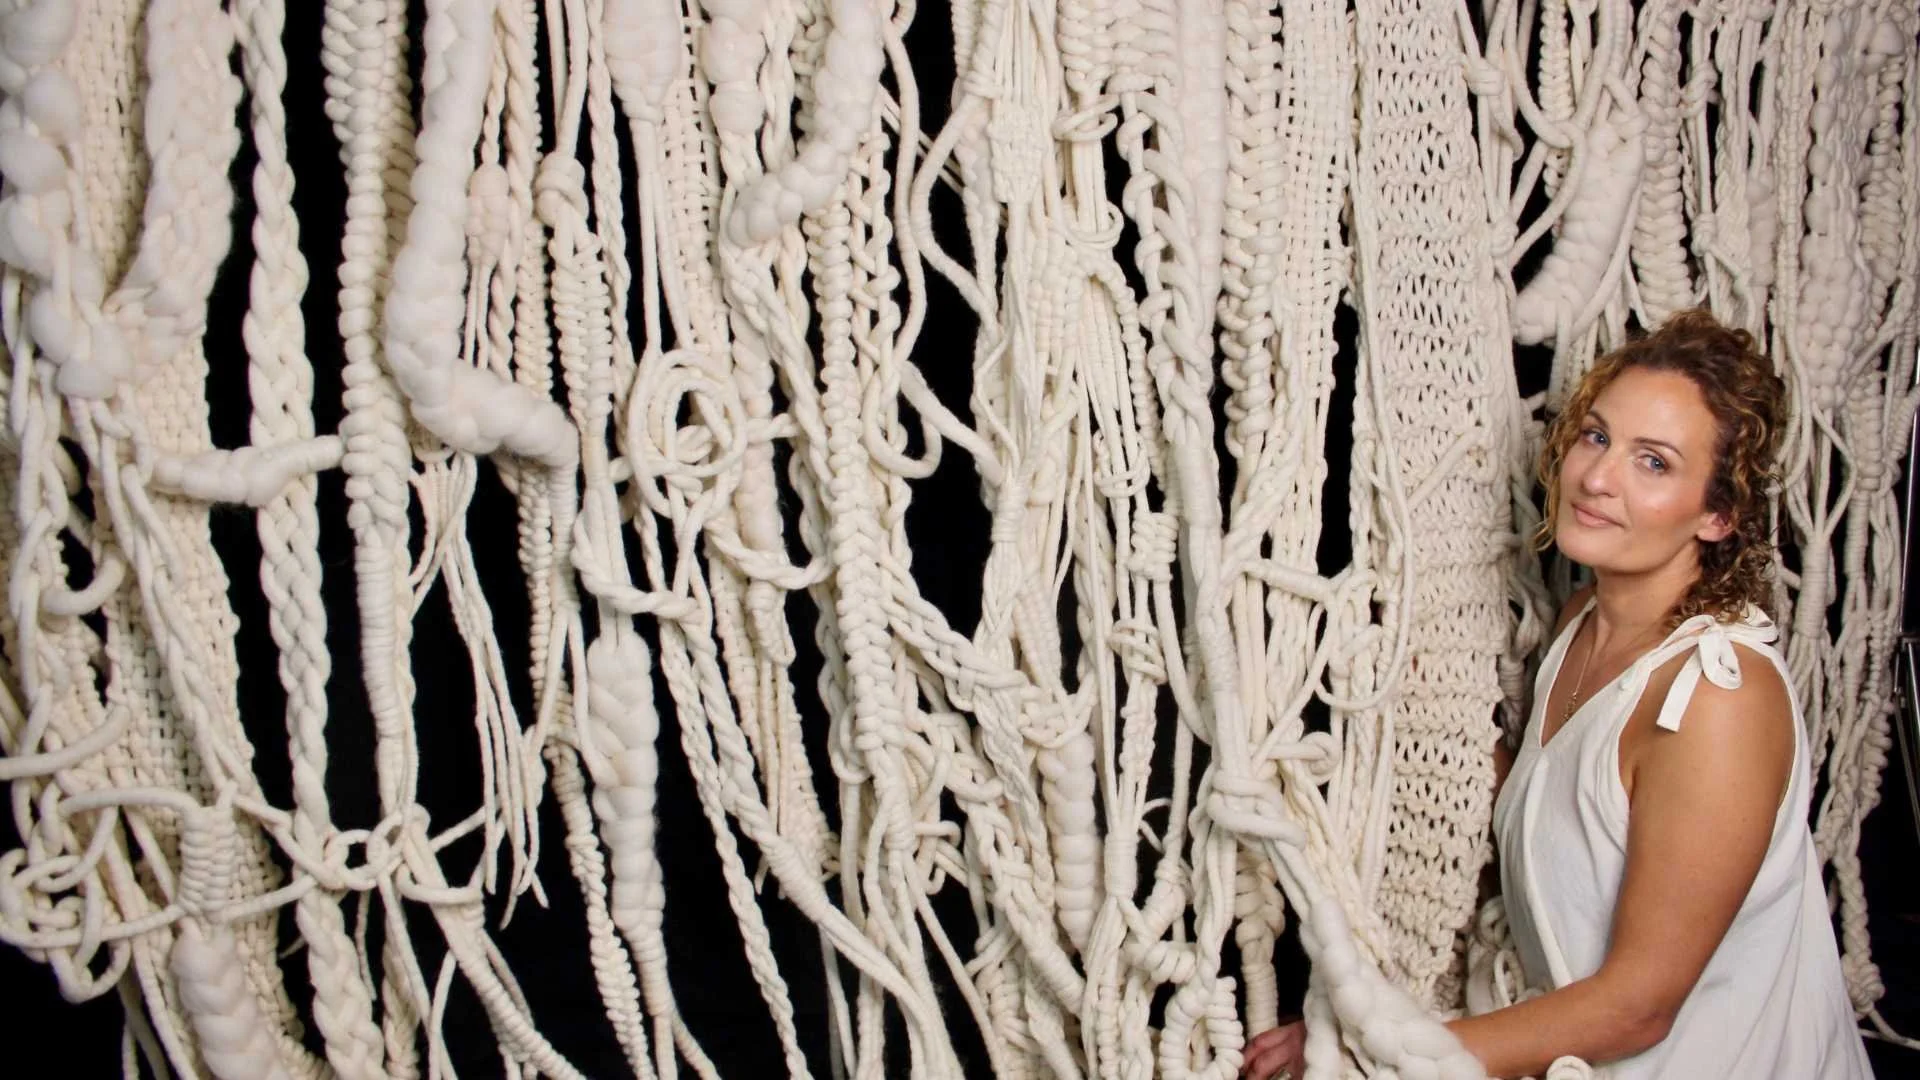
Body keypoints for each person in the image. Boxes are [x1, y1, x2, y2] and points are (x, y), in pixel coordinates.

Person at [1242, 310, 1874, 1080]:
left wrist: (1373, 1050)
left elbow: (1637, 1006)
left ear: (1719, 514)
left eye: (1654, 463)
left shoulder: (1717, 701)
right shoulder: (1583, 624)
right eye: (1598, 436)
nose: (1598, 477)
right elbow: (1567, 803)